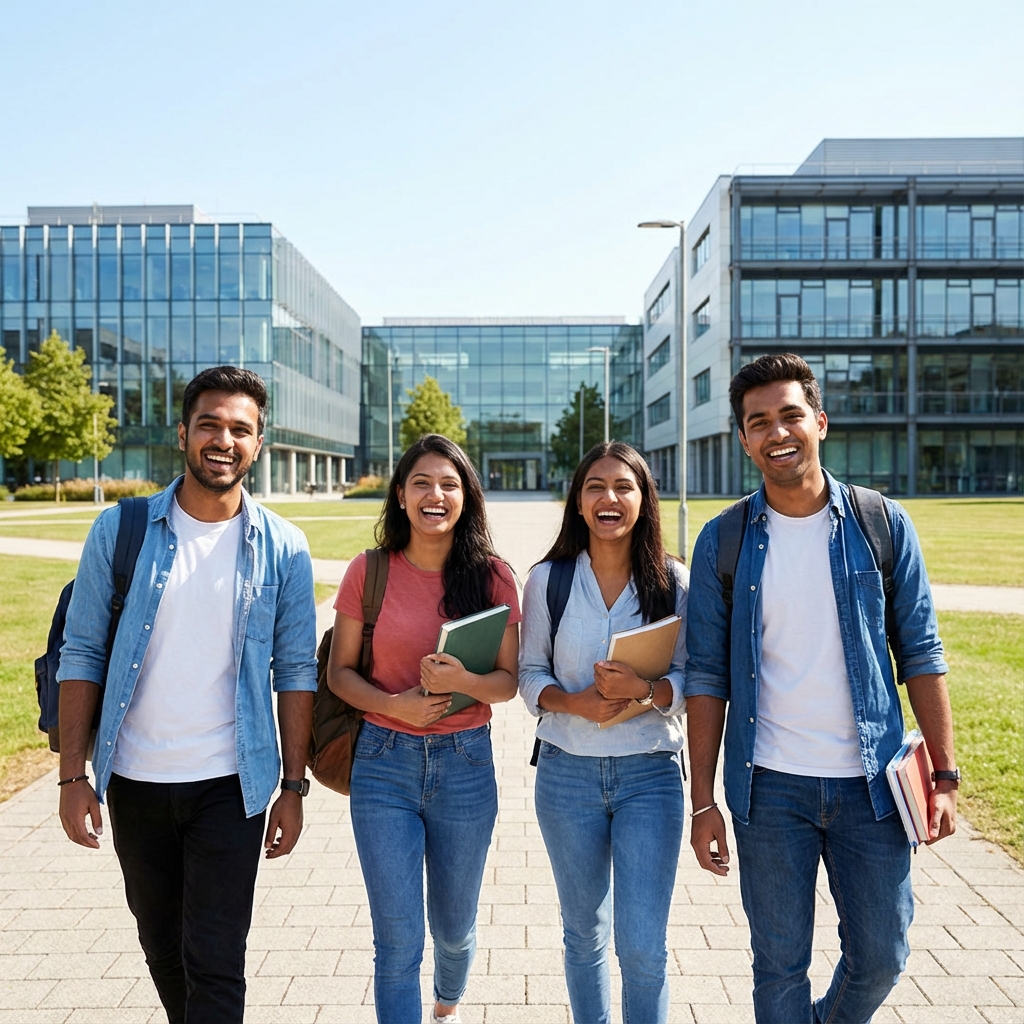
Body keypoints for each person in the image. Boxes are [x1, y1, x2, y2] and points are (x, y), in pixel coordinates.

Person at [685, 353, 958, 1024]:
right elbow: (706, 677)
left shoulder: (881, 525)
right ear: (743, 438)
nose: (777, 432)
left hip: (873, 787)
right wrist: (702, 802)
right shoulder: (723, 541)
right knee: (777, 965)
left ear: (819, 423)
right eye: (759, 422)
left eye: (789, 416)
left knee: (883, 954)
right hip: (769, 788)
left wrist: (945, 778)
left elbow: (921, 653)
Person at [57, 365, 318, 1023]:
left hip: (231, 785)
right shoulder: (121, 532)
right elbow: (82, 652)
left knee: (216, 959)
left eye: (240, 429)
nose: (223, 440)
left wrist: (293, 785)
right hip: (136, 779)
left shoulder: (283, 548)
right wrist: (70, 778)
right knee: (162, 947)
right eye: (210, 424)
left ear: (258, 443)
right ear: (183, 432)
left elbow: (295, 671)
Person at [327, 434, 521, 1024]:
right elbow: (338, 674)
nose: (435, 495)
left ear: (467, 496)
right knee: (397, 938)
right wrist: (398, 706)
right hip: (383, 761)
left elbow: (509, 682)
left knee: (455, 928)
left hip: (465, 764)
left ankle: (448, 998)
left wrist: (466, 677)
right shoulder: (369, 570)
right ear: (401, 494)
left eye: (449, 484)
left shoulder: (492, 577)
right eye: (421, 482)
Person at [519, 441, 689, 1024]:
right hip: (567, 774)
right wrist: (576, 703)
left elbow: (693, 679)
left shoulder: (674, 582)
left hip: (651, 775)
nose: (609, 497)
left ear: (644, 499)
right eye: (595, 486)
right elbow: (528, 673)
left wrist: (643, 693)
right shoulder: (548, 580)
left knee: (642, 945)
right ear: (579, 500)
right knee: (583, 933)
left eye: (624, 486)